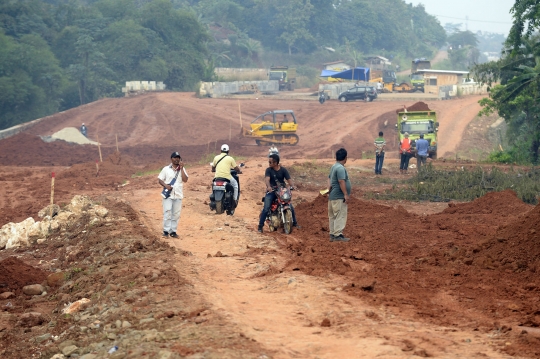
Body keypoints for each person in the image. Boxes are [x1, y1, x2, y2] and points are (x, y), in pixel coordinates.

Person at [258, 154, 300, 233]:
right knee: (266, 208)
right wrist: (269, 187)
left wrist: (293, 186)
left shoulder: (283, 170)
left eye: (270, 162)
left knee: (290, 206)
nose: (269, 163)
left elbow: (289, 179)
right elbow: (267, 179)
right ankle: (260, 226)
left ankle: (294, 223)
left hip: (281, 191)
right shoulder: (268, 170)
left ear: (275, 163)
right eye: (269, 162)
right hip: (272, 191)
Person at [158, 152, 188, 238]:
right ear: (171, 159)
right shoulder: (166, 169)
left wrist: (182, 169)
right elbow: (160, 179)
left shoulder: (182, 169)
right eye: (175, 157)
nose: (176, 159)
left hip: (178, 195)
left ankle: (173, 231)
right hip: (168, 195)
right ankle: (166, 231)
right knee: (167, 212)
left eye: (178, 157)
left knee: (176, 214)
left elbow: (185, 180)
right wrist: (166, 185)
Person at [327, 148, 351, 242]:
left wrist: (328, 191)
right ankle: (337, 235)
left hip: (332, 196)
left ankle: (333, 234)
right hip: (338, 197)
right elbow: (341, 181)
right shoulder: (340, 168)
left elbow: (329, 179)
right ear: (345, 158)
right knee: (340, 215)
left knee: (333, 216)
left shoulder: (334, 166)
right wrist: (346, 194)